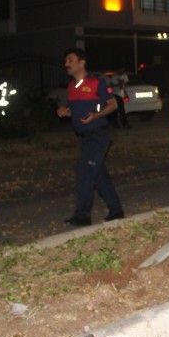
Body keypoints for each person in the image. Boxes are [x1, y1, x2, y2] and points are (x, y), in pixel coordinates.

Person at [56, 47, 125, 226]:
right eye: (66, 61)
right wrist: (66, 112)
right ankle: (116, 209)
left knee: (85, 172)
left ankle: (83, 215)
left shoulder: (97, 83)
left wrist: (96, 115)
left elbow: (113, 105)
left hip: (98, 135)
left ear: (81, 62)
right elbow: (78, 111)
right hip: (84, 138)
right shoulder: (71, 87)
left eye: (70, 60)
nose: (66, 64)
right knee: (98, 174)